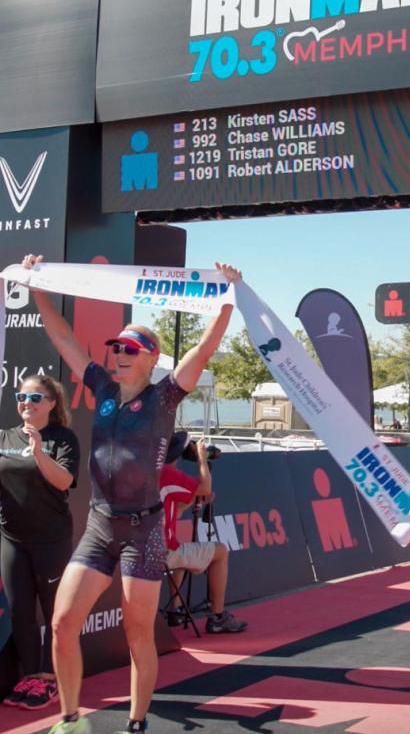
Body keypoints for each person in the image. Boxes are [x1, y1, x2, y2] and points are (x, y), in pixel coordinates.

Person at [21, 254, 241, 734]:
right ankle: (71, 720)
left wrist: (226, 300)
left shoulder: (165, 396)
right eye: (115, 348)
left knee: (136, 632)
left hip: (143, 531)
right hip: (101, 526)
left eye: (129, 349)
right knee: (62, 624)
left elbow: (202, 353)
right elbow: (61, 337)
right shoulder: (100, 387)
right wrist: (38, 288)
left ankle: (137, 723)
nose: (117, 354)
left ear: (150, 358)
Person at [0, 375, 80, 711]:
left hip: (51, 539)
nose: (27, 403)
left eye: (35, 397)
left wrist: (38, 451)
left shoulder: (63, 439)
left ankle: (51, 679)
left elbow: (64, 481)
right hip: (12, 538)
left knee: (54, 613)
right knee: (20, 611)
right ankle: (31, 675)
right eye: (22, 396)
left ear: (51, 403)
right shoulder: (4, 436)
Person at [159, 435, 247, 634]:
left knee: (181, 548)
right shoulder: (168, 473)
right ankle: (218, 616)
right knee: (221, 551)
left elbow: (176, 507)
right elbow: (205, 487)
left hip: (143, 550)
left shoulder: (151, 472)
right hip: (162, 552)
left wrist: (195, 498)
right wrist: (201, 458)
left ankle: (175, 609)